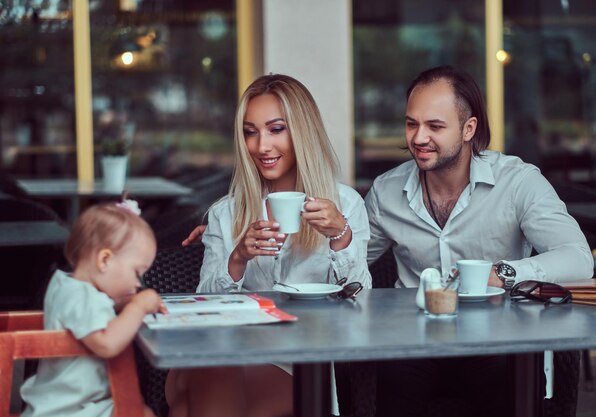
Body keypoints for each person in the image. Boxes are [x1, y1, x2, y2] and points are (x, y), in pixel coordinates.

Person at [366, 65, 593, 417]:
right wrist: (336, 235)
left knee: (506, 375)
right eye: (412, 123)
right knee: (387, 375)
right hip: (415, 343)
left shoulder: (517, 181)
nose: (418, 137)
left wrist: (502, 274)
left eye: (435, 126)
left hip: (499, 341)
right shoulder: (386, 191)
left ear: (469, 128)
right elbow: (348, 263)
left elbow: (579, 258)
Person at [167, 73, 371, 417]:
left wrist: (340, 236)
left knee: (190, 403)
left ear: (302, 132)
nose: (262, 146)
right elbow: (206, 305)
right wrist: (238, 258)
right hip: (228, 348)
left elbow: (361, 301)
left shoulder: (345, 206)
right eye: (251, 132)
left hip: (300, 361)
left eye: (276, 129)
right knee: (214, 369)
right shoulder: (226, 212)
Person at [20, 201, 167, 417]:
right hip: (71, 409)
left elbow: (88, 314)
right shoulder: (83, 298)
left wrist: (120, 305)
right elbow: (107, 344)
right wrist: (137, 306)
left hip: (64, 400)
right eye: (137, 272)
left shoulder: (67, 285)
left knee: (143, 411)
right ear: (104, 260)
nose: (138, 283)